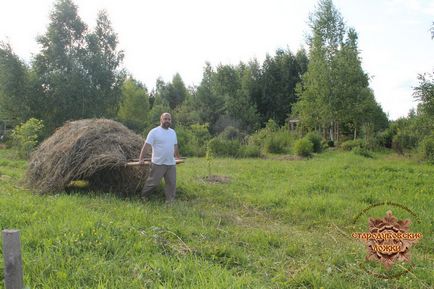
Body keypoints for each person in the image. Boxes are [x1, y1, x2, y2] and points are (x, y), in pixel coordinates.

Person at [139, 112, 180, 202]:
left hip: (170, 163)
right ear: (161, 120)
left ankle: (170, 201)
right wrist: (141, 158)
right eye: (165, 119)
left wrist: (177, 156)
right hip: (158, 163)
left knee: (171, 183)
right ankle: (144, 196)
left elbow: (175, 145)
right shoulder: (154, 132)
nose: (167, 121)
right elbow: (146, 145)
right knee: (153, 183)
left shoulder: (172, 132)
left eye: (169, 119)